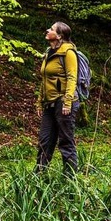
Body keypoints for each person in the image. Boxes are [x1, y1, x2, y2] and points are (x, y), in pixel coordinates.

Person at [35, 21, 79, 175]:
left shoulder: (68, 53)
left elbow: (72, 78)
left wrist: (67, 102)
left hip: (64, 102)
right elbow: (44, 79)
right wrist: (40, 102)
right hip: (49, 103)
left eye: (52, 29)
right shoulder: (48, 53)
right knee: (44, 141)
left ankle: (70, 178)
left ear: (59, 36)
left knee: (66, 141)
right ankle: (39, 175)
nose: (48, 30)